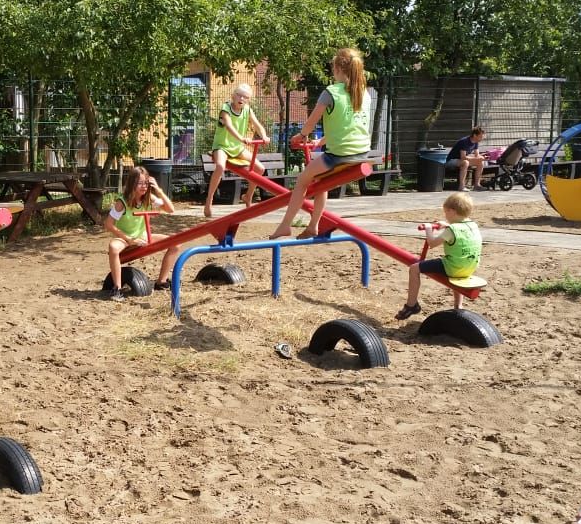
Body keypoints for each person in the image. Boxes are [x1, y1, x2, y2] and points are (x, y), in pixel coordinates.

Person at [269, 48, 372, 240]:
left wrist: (301, 135)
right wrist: (321, 140)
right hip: (362, 153)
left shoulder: (331, 92)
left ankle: (285, 225)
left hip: (339, 155)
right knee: (320, 181)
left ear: (337, 68)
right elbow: (350, 126)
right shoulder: (363, 92)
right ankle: (313, 226)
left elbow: (311, 122)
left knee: (302, 180)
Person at [396, 191, 481, 320]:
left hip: (454, 268)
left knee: (414, 268)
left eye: (446, 213)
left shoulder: (451, 230)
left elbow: (432, 243)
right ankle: (458, 305)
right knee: (458, 266)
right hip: (470, 268)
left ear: (452, 211)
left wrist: (428, 229)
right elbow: (459, 229)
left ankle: (411, 305)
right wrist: (446, 225)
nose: (445, 216)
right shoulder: (472, 225)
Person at [105, 167, 180, 302]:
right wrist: (129, 239)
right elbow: (109, 224)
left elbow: (170, 209)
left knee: (175, 244)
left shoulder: (148, 198)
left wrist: (158, 190)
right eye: (140, 183)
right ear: (132, 184)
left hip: (143, 236)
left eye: (146, 183)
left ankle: (161, 282)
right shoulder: (122, 202)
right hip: (126, 238)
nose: (144, 186)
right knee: (113, 247)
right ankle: (117, 288)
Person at [204, 84, 270, 218]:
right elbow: (229, 126)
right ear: (233, 96)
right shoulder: (226, 108)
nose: (241, 99)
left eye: (245, 97)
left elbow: (257, 125)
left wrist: (264, 136)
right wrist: (242, 138)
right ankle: (209, 199)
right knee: (220, 166)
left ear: (248, 100)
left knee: (260, 169)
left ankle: (248, 196)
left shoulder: (247, 110)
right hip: (222, 146)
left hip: (238, 148)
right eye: (239, 95)